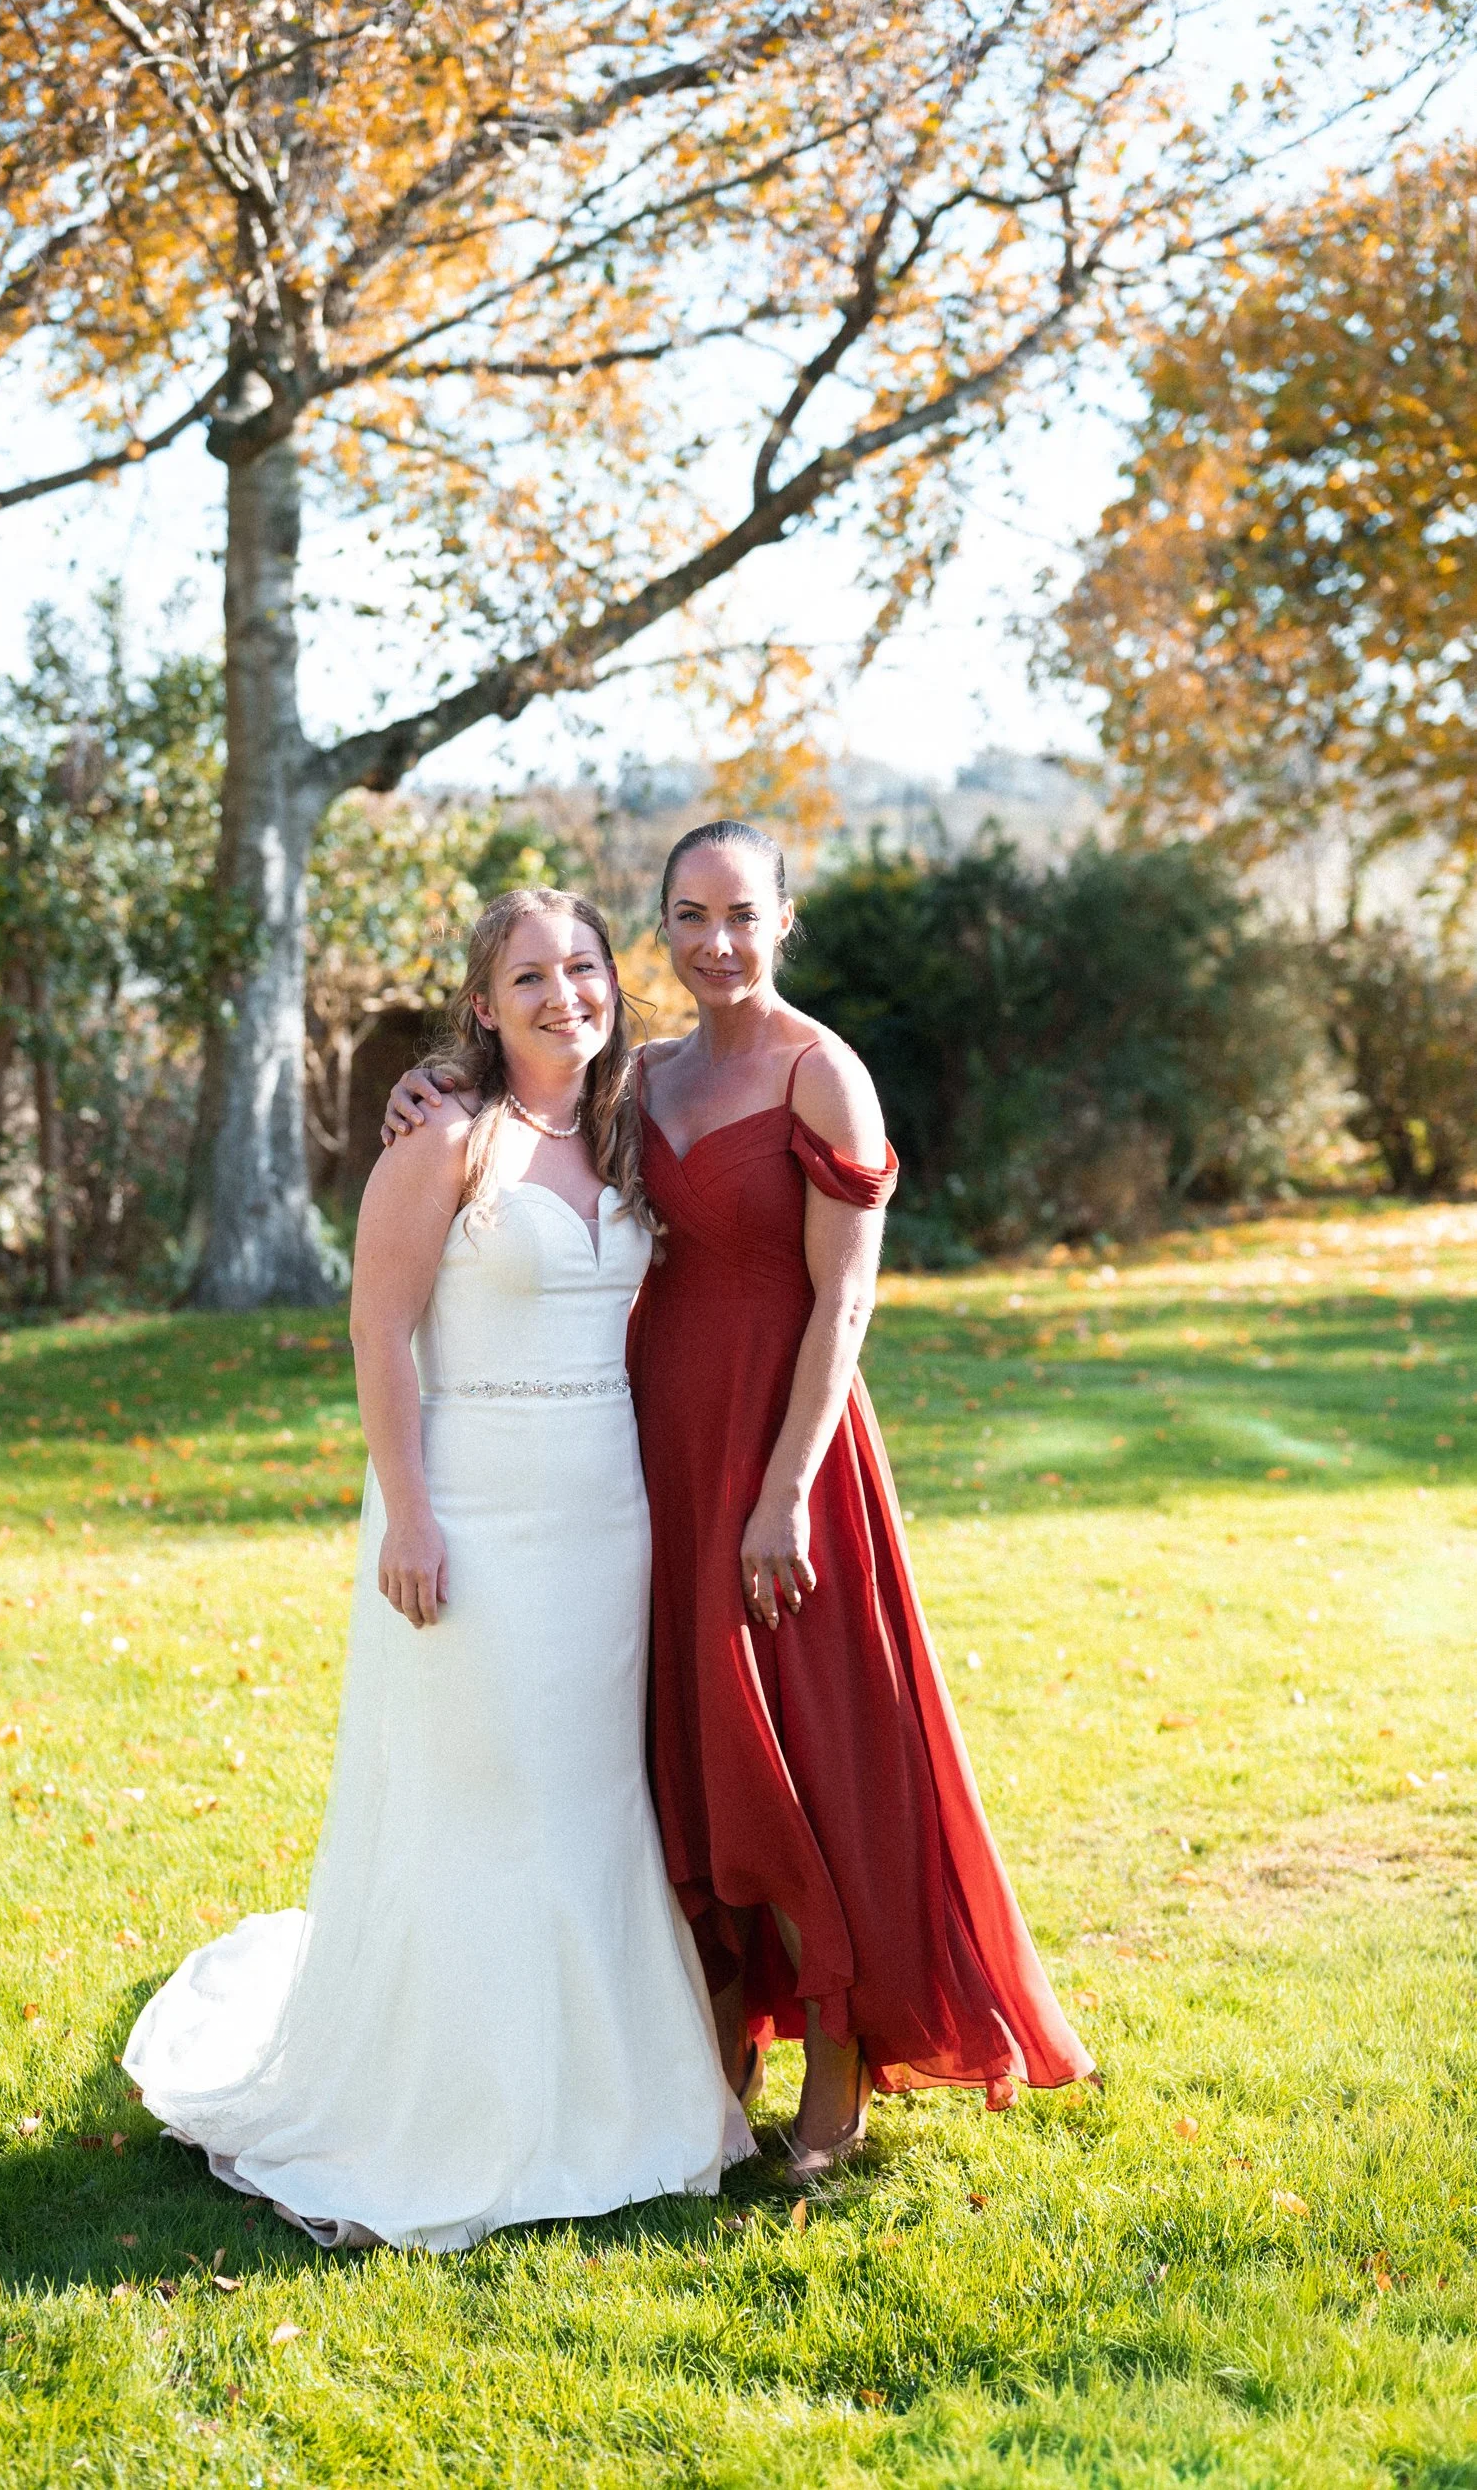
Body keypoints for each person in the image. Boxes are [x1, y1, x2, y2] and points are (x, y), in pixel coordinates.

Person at [382, 825, 1094, 2179]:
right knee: (693, 1751)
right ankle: (713, 2046)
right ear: (662, 924)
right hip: (654, 1441)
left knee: (808, 1748)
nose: (715, 942)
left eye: (742, 915)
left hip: (782, 1448)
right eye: (689, 915)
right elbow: (519, 1110)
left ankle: (837, 2062)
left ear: (784, 921)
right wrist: (429, 1084)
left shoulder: (822, 1074)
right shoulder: (640, 1072)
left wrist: (783, 1491)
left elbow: (847, 1296)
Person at [125, 888, 751, 2252]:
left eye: (582, 967)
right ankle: (458, 2110)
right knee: (485, 1802)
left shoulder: (628, 1126)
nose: (560, 994)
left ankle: (611, 2101)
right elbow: (379, 1334)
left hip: (609, 1517)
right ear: (480, 1005)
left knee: (590, 1803)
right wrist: (409, 1515)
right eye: (527, 976)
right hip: (468, 1512)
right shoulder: (443, 1141)